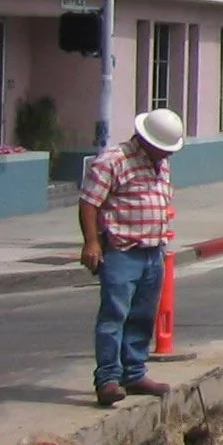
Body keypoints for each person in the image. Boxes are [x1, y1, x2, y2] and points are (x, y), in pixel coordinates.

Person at [78, 108, 185, 407]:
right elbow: (89, 203)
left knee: (142, 315)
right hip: (122, 250)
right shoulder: (113, 161)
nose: (167, 155)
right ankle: (108, 378)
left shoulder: (160, 165)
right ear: (147, 140)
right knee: (115, 314)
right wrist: (91, 243)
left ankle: (134, 372)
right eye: (163, 148)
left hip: (153, 250)